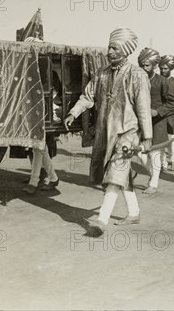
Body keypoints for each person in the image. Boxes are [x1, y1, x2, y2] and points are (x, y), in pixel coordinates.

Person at [65, 27, 152, 233]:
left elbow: (144, 109)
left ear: (125, 50)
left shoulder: (137, 75)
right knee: (120, 174)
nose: (109, 51)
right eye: (109, 47)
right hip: (105, 133)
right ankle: (134, 213)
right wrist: (73, 113)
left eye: (114, 48)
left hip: (127, 134)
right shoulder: (102, 73)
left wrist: (147, 138)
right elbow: (88, 96)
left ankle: (101, 221)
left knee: (115, 174)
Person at [137, 48, 174, 194]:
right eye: (141, 65)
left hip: (157, 122)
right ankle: (153, 175)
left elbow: (172, 103)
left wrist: (157, 111)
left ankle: (153, 183)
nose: (143, 68)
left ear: (154, 65)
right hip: (139, 122)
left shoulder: (162, 81)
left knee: (154, 153)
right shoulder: (136, 79)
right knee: (140, 153)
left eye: (147, 65)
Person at [159, 55, 174, 171]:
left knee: (170, 138)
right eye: (161, 68)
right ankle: (162, 163)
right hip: (158, 113)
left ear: (170, 69)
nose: (163, 71)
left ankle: (172, 159)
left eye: (165, 68)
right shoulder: (157, 80)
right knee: (160, 139)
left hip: (171, 113)